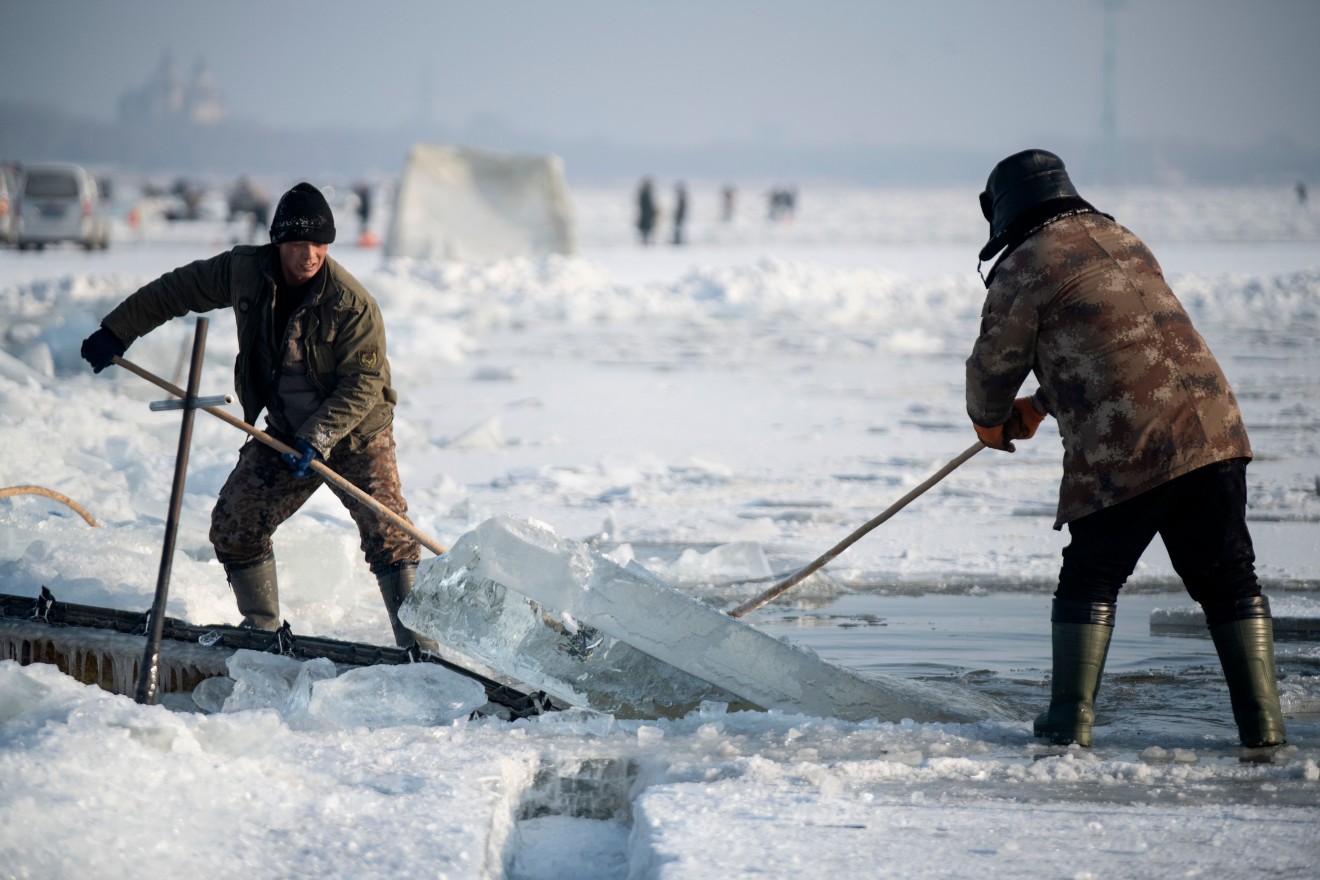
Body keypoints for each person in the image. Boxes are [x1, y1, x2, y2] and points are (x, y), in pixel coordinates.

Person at [965, 149, 1286, 749]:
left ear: (1003, 211)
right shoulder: (1120, 238)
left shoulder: (1025, 264)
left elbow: (992, 371)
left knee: (1090, 578)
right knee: (1228, 579)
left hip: (1130, 445)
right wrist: (1039, 406)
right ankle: (1264, 727)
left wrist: (990, 420)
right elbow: (1124, 346)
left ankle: (1067, 722)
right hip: (1213, 430)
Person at [79, 182, 437, 655]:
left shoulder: (353, 305)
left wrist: (319, 436)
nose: (309, 255)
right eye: (297, 244)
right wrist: (117, 329)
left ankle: (422, 654)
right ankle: (264, 636)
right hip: (288, 431)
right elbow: (177, 290)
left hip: (356, 434)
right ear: (277, 243)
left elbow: (362, 386)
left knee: (389, 537)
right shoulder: (245, 271)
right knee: (235, 525)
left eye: (319, 244)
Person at [636, 177, 657, 245]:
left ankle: (647, 242)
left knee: (648, 229)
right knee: (645, 229)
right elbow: (643, 205)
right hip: (645, 215)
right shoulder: (644, 194)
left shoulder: (648, 193)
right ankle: (644, 242)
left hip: (648, 215)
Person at [671, 181, 688, 245]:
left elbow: (682, 208)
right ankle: (677, 240)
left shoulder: (681, 198)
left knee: (679, 228)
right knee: (678, 228)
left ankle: (678, 240)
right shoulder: (682, 198)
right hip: (679, 215)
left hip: (680, 215)